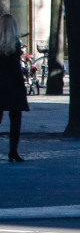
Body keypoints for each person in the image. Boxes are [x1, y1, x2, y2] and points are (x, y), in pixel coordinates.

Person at [0, 14, 29, 162]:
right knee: (15, 120)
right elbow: (15, 69)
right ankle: (13, 152)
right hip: (13, 85)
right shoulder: (16, 45)